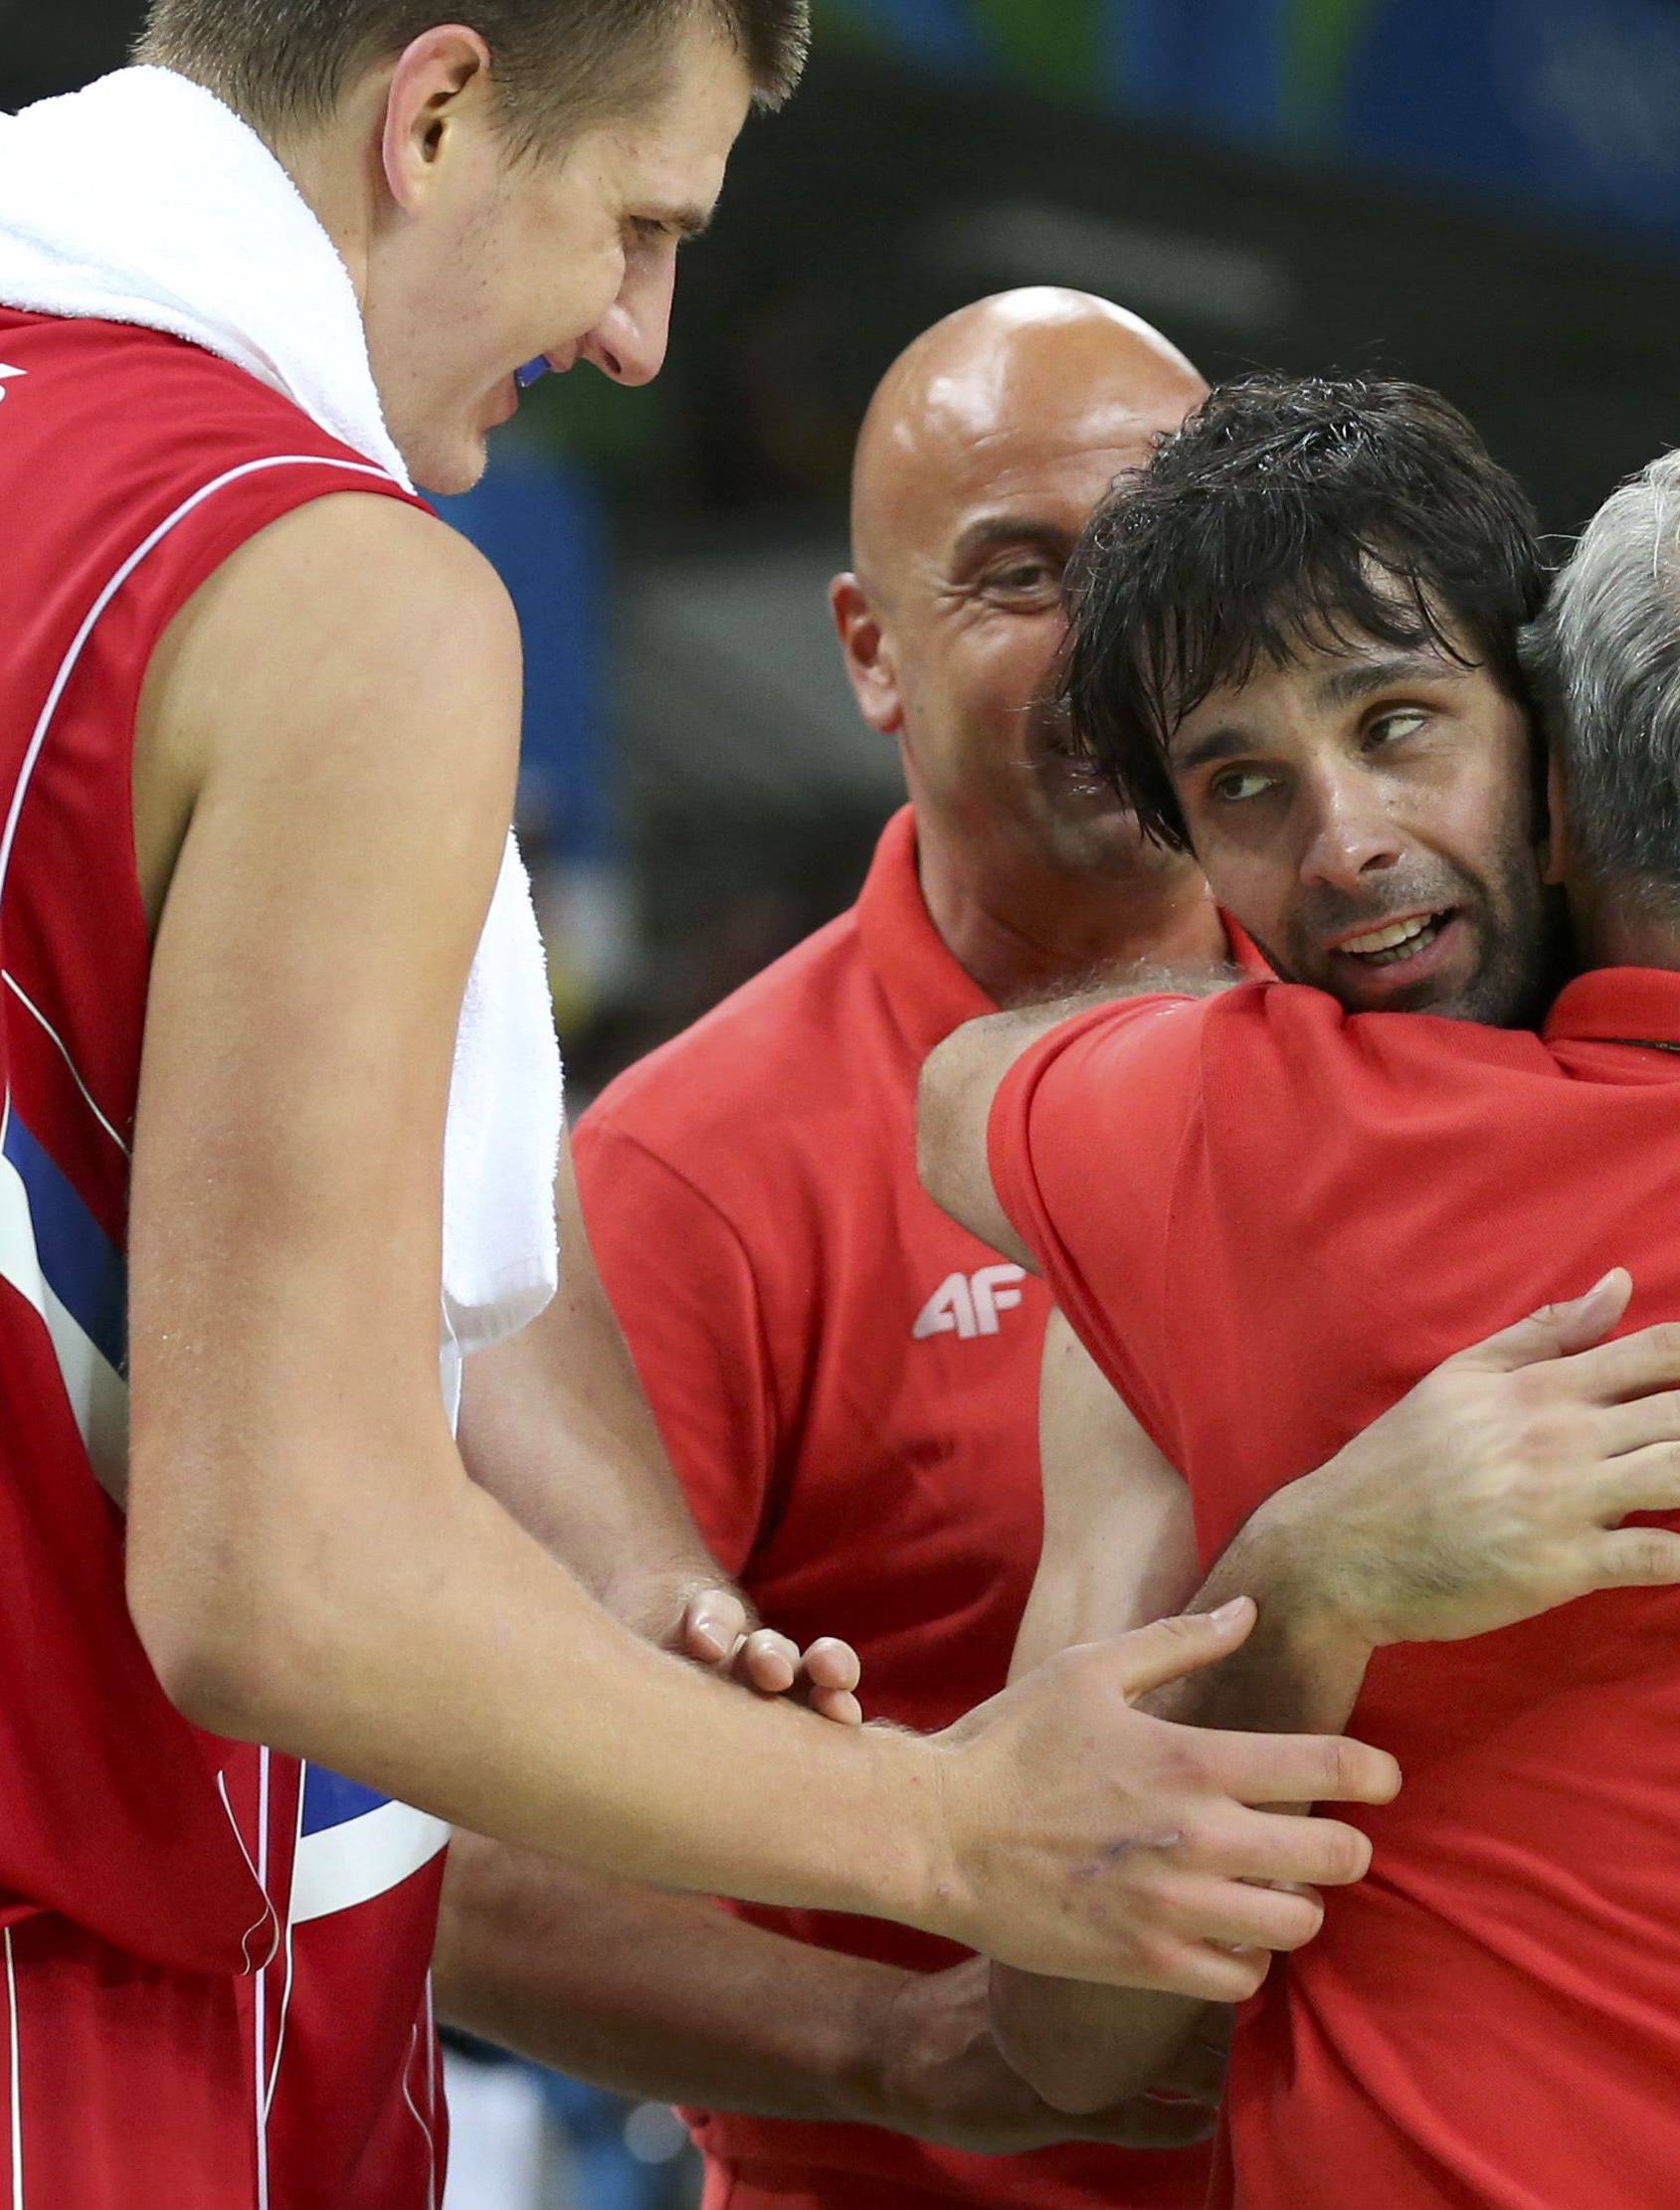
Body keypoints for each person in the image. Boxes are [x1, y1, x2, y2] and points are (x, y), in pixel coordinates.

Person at [0, 23, 1405, 2204]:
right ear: (436, 113)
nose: (643, 337)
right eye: (641, 222)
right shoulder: (329, 591)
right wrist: (957, 1842)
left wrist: (626, 1580)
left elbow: (320, 1170)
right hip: (99, 2022)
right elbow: (280, 1574)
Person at [920, 396, 1680, 2206]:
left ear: (1559, 766)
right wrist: (1307, 1578)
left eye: (1398, 726)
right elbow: (1058, 2017)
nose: (1350, 844)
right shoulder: (1228, 1158)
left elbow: (963, 1101)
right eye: (1241, 787)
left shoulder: (1218, 1146)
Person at [437, 287, 1233, 2210]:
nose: (1112, 644)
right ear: (872, 652)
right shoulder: (684, 1175)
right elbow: (456, 1846)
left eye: (1161, 565)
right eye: (1020, 577)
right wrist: (907, 2047)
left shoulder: (1430, 1030)